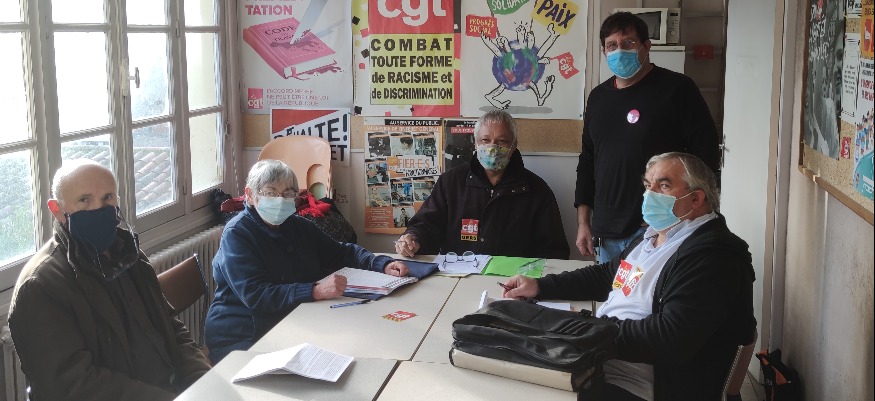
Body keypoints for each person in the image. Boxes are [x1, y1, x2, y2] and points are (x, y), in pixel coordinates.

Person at [502, 152, 755, 401]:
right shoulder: (653, 237)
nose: (649, 194)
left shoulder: (713, 259)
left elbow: (670, 337)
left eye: (663, 186)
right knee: (511, 363)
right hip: (602, 358)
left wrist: (587, 329)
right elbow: (606, 276)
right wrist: (539, 286)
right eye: (647, 185)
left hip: (641, 386)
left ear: (696, 198)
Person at [8, 159, 210, 401]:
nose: (98, 208)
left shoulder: (130, 256)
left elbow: (170, 328)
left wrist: (205, 382)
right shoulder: (40, 287)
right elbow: (74, 387)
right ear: (57, 210)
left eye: (107, 198)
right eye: (84, 200)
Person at [205, 160, 409, 363]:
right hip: (243, 336)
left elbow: (342, 252)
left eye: (287, 194)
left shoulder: (298, 225)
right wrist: (316, 290)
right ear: (250, 195)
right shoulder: (237, 233)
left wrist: (381, 264)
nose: (280, 200)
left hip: (292, 321)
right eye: (270, 193)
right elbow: (258, 295)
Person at [576, 12, 720, 264]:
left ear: (646, 46)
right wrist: (583, 222)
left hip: (660, 228)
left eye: (628, 43)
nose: (620, 51)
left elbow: (705, 159)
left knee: (656, 289)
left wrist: (685, 213)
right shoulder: (598, 98)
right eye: (612, 45)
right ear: (604, 51)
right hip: (607, 233)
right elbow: (588, 162)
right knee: (612, 290)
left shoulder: (678, 89)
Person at [395, 110, 569, 259]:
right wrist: (413, 239)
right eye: (485, 140)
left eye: (502, 141)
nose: (492, 148)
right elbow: (427, 226)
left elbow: (554, 251)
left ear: (514, 145)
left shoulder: (537, 190)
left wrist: (530, 279)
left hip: (514, 281)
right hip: (458, 277)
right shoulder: (451, 182)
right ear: (476, 143)